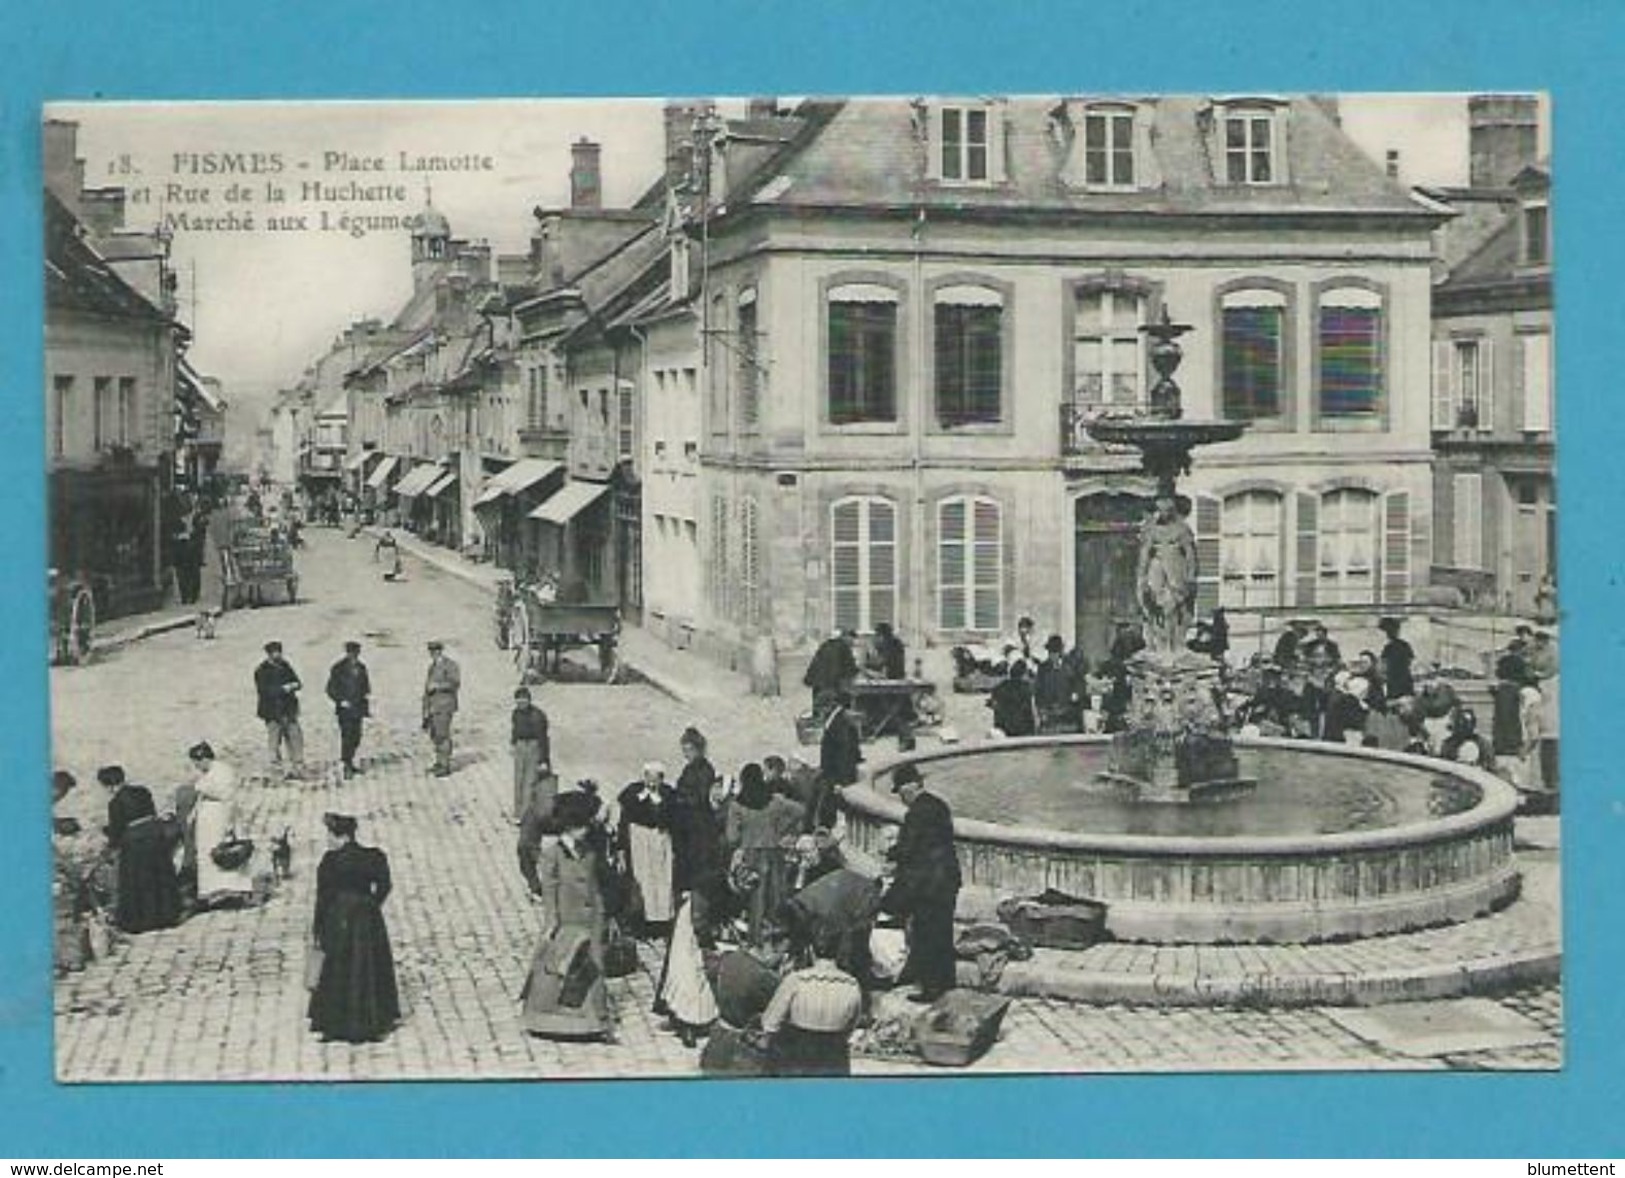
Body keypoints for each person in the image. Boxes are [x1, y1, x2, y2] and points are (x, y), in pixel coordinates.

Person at [520, 791, 613, 1041]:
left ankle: (598, 1022)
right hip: (567, 923)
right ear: (570, 827)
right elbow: (550, 893)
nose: (586, 831)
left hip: (591, 920)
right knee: (561, 973)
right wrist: (552, 924)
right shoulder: (553, 855)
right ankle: (550, 1020)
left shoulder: (589, 851)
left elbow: (596, 886)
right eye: (582, 826)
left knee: (595, 968)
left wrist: (603, 915)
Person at [308, 813, 400, 1044]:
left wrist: (318, 928)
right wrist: (371, 905)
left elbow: (323, 897)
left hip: (339, 917)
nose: (327, 839)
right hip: (367, 918)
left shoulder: (330, 861)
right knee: (368, 966)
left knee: (339, 967)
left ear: (339, 836)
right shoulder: (373, 856)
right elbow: (385, 885)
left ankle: (338, 1022)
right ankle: (372, 1020)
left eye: (329, 834)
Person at [882, 763, 961, 1004]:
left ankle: (931, 987)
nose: (901, 799)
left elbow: (909, 848)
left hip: (929, 885)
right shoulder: (939, 805)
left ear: (908, 789)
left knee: (927, 934)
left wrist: (890, 852)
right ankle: (947, 981)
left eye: (901, 793)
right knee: (943, 932)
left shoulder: (916, 813)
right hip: (947, 878)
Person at [759, 925, 864, 1077]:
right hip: (834, 1061)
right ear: (839, 952)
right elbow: (850, 1027)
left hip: (797, 1060)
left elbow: (769, 1023)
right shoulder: (852, 985)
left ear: (811, 950)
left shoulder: (796, 980)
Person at [724, 763, 805, 946]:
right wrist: (782, 829)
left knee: (754, 904)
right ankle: (778, 943)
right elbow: (801, 811)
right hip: (774, 854)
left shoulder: (737, 805)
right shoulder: (775, 801)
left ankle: (755, 943)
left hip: (750, 855)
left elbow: (731, 837)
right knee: (776, 899)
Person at [100, 765, 180, 934]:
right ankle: (167, 915)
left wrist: (110, 843)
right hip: (155, 835)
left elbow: (117, 830)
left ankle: (144, 920)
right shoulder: (142, 791)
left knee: (139, 881)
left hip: (135, 843)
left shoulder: (115, 803)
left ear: (108, 785)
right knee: (160, 875)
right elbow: (152, 813)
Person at [671, 727, 724, 939]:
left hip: (699, 830)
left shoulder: (703, 770)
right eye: (684, 749)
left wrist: (681, 800)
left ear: (697, 749)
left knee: (698, 875)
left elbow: (700, 798)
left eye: (688, 749)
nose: (685, 753)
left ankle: (698, 920)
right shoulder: (693, 768)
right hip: (691, 829)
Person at [187, 742, 254, 908]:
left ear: (203, 758)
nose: (196, 767)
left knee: (223, 851)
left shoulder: (223, 772)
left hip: (220, 817)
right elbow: (201, 797)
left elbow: (229, 799)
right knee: (208, 852)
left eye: (197, 762)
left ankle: (234, 888)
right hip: (209, 819)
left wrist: (230, 824)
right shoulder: (209, 772)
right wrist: (194, 813)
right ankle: (215, 890)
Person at [615, 762, 677, 936]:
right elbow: (624, 823)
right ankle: (642, 924)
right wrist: (621, 848)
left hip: (661, 842)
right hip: (639, 843)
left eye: (656, 777)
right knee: (643, 883)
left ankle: (661, 925)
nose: (651, 781)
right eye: (648, 776)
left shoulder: (669, 795)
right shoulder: (632, 793)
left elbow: (672, 819)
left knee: (662, 884)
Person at [1137, 496, 1198, 656]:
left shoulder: (1182, 529)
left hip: (1176, 570)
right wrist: (1142, 576)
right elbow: (1145, 554)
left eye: (1166, 511)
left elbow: (1190, 554)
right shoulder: (1152, 530)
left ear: (1172, 512)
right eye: (1159, 510)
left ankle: (1177, 644)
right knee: (1156, 607)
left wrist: (1191, 576)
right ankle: (1159, 644)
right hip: (1157, 569)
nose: (1162, 514)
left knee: (1174, 608)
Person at [254, 641, 306, 779]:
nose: (278, 655)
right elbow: (264, 691)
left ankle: (297, 767)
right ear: (269, 654)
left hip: (289, 710)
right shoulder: (261, 670)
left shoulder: (285, 666)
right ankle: (277, 770)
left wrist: (293, 686)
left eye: (279, 652)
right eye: (275, 653)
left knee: (295, 738)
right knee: (274, 741)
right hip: (272, 712)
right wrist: (284, 689)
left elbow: (298, 682)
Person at [325, 641, 372, 778]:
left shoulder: (362, 667)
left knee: (356, 737)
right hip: (345, 710)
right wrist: (341, 701)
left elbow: (366, 687)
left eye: (356, 653)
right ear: (347, 653)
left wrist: (365, 703)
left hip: (357, 709)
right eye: (351, 653)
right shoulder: (338, 668)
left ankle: (350, 761)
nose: (354, 655)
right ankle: (346, 764)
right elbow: (330, 689)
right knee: (347, 736)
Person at [509, 687, 553, 824]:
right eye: (518, 700)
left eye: (524, 699)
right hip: (520, 747)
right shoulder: (515, 713)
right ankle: (517, 813)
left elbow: (543, 739)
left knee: (529, 783)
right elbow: (515, 730)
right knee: (518, 781)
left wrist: (544, 760)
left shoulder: (538, 716)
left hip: (534, 747)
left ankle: (525, 816)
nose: (521, 702)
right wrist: (513, 743)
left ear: (529, 700)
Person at [421, 640, 461, 777]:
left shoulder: (450, 665)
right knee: (435, 735)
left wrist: (438, 685)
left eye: (435, 651)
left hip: (445, 706)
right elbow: (426, 689)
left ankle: (444, 765)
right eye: (431, 652)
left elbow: (455, 683)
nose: (433, 654)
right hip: (433, 707)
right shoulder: (432, 667)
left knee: (443, 735)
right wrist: (425, 709)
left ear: (440, 651)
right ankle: (439, 761)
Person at [803, 628, 858, 714]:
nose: (853, 643)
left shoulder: (826, 644)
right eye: (853, 639)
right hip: (832, 687)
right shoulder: (844, 648)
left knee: (819, 711)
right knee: (837, 712)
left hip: (818, 685)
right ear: (846, 637)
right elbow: (852, 670)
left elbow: (814, 665)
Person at [1034, 635, 1079, 734]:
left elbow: (1075, 686)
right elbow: (1038, 690)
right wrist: (1041, 710)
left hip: (1065, 711)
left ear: (1060, 652)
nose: (1053, 655)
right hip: (1048, 712)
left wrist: (1074, 695)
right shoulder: (1043, 668)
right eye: (1051, 652)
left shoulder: (1069, 667)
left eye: (1055, 652)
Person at [988, 659, 1037, 738]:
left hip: (1004, 729)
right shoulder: (1026, 687)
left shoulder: (999, 688)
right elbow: (1029, 710)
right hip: (1023, 729)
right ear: (1024, 673)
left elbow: (994, 705)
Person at [1378, 617, 1416, 702]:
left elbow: (1383, 665)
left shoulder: (1389, 648)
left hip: (1395, 682)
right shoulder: (1404, 645)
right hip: (1403, 681)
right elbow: (1410, 661)